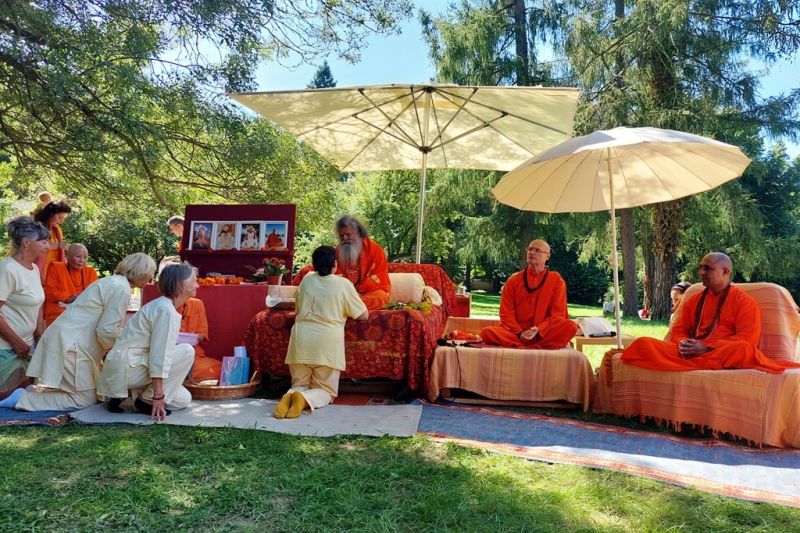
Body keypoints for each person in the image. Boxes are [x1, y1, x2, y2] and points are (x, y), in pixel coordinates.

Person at [11, 253, 157, 411]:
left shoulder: (113, 282)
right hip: (71, 344)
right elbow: (106, 330)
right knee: (83, 399)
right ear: (142, 273)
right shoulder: (121, 288)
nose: (151, 277)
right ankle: (22, 398)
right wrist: (121, 346)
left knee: (92, 395)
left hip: (68, 339)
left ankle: (28, 393)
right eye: (150, 273)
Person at [622, 252, 800, 373]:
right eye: (701, 267)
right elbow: (679, 330)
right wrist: (684, 344)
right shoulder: (694, 299)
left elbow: (748, 340)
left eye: (707, 268)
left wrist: (706, 347)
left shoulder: (745, 302)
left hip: (720, 352)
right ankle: (695, 361)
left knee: (743, 350)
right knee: (644, 344)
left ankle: (691, 362)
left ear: (725, 272)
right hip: (691, 353)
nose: (701, 272)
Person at [275, 246, 368, 419]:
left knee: (299, 384)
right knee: (326, 390)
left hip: (300, 340)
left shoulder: (306, 281)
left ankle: (290, 396)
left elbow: (298, 307)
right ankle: (304, 399)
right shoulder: (343, 284)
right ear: (335, 263)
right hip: (327, 343)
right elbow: (363, 315)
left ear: (314, 264)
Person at [97, 263, 197, 420]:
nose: (197, 284)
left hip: (127, 367)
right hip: (128, 368)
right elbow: (160, 355)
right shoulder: (165, 310)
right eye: (194, 281)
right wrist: (158, 395)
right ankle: (146, 400)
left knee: (183, 399)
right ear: (180, 284)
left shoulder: (162, 306)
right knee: (186, 350)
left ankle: (128, 394)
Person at [480, 239, 578, 348]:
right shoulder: (513, 280)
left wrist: (539, 329)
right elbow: (506, 313)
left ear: (547, 256)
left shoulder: (556, 281)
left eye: (537, 250)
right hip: (516, 333)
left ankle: (527, 344)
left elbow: (557, 315)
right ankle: (535, 345)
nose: (532, 252)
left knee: (571, 326)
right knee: (487, 332)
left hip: (542, 333)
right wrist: (520, 332)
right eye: (530, 249)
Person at [0, 217, 49, 396]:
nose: (48, 246)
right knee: (7, 398)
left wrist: (40, 336)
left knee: (24, 395)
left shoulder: (34, 269)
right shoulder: (7, 269)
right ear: (27, 243)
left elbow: (38, 305)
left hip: (26, 346)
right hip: (6, 347)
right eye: (43, 241)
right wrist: (16, 343)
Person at [334, 215, 391, 310]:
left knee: (381, 296)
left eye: (348, 234)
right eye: (341, 236)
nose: (345, 238)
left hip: (369, 293)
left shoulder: (375, 250)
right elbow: (335, 276)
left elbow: (379, 276)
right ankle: (353, 307)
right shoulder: (338, 251)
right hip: (346, 293)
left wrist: (359, 292)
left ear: (358, 233)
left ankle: (349, 307)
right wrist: (350, 291)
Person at [42, 243, 99, 326]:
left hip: (83, 314)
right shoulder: (56, 267)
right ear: (68, 256)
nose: (82, 260)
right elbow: (50, 292)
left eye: (85, 257)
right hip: (59, 313)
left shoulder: (91, 272)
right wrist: (70, 298)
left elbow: (95, 296)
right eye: (78, 256)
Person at [177, 296, 220, 380]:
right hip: (172, 357)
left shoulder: (197, 304)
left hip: (195, 356)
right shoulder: (164, 307)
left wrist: (193, 337)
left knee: (221, 370)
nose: (196, 288)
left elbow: (202, 335)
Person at [33, 200, 72, 283]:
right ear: (50, 214)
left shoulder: (57, 229)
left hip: (52, 271)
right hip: (36, 268)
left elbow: (60, 248)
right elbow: (37, 245)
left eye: (63, 219)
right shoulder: (36, 227)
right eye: (60, 217)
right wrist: (59, 245)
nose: (61, 221)